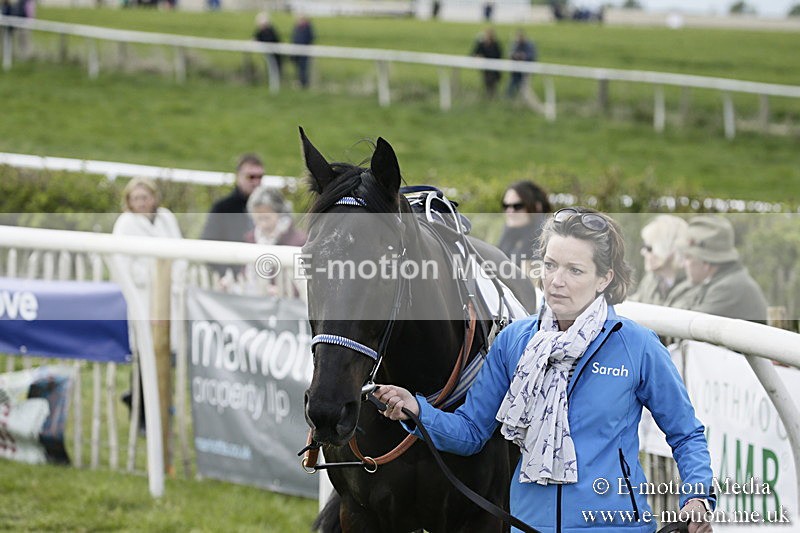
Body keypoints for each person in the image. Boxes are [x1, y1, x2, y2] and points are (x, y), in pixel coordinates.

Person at [375, 207, 716, 533]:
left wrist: (697, 496)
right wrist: (419, 410)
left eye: (574, 270)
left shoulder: (638, 345)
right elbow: (470, 432)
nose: (556, 281)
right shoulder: (512, 342)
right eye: (550, 265)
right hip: (527, 525)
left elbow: (686, 433)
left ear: (604, 279)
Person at [112, 177, 185, 431]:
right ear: (129, 201)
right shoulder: (126, 224)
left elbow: (180, 251)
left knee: (168, 354)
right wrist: (148, 279)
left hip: (170, 295)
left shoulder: (166, 218)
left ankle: (157, 404)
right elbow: (121, 264)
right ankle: (142, 412)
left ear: (154, 197)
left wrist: (175, 281)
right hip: (143, 298)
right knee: (147, 354)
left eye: (145, 197)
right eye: (136, 199)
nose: (142, 203)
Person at [668, 215, 768, 323]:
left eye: (688, 258)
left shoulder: (728, 288)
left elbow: (686, 326)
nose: (683, 265)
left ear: (705, 263)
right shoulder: (721, 281)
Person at [201, 153, 264, 273]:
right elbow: (207, 246)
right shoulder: (222, 208)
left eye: (259, 177)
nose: (256, 182)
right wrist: (226, 274)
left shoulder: (272, 209)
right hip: (232, 278)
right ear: (238, 177)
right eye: (251, 177)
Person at [244, 186, 307, 296]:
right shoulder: (250, 239)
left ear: (280, 213)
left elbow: (306, 280)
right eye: (258, 218)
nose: (262, 224)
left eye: (267, 218)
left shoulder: (299, 241)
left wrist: (283, 291)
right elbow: (243, 273)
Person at [630, 214, 688, 306]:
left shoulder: (692, 285)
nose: (643, 252)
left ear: (670, 250)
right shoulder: (651, 279)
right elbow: (635, 303)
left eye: (649, 248)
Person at [497, 180, 551, 266]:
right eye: (506, 206)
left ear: (537, 207)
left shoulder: (547, 238)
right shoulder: (511, 232)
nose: (510, 211)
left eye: (517, 206)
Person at [471, 28, 503, 98]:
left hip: (494, 68)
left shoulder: (495, 44)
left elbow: (498, 55)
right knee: (487, 81)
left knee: (491, 81)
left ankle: (491, 96)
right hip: (485, 68)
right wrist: (477, 56)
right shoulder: (481, 44)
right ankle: (489, 96)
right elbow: (473, 54)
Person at [506, 29, 537, 98]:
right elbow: (510, 54)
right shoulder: (515, 44)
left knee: (524, 87)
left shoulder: (530, 44)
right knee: (512, 85)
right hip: (515, 70)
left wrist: (524, 56)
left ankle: (523, 100)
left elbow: (532, 56)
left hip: (526, 70)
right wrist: (515, 55)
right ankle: (509, 99)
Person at [254, 12, 282, 77]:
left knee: (276, 70)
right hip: (269, 54)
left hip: (276, 54)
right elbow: (257, 36)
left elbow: (270, 40)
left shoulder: (271, 30)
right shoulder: (261, 30)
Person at [291, 16, 315, 89]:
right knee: (298, 69)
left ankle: (304, 84)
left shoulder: (307, 28)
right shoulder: (297, 28)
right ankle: (300, 82)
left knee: (304, 69)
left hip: (305, 52)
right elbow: (294, 39)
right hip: (297, 52)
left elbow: (310, 39)